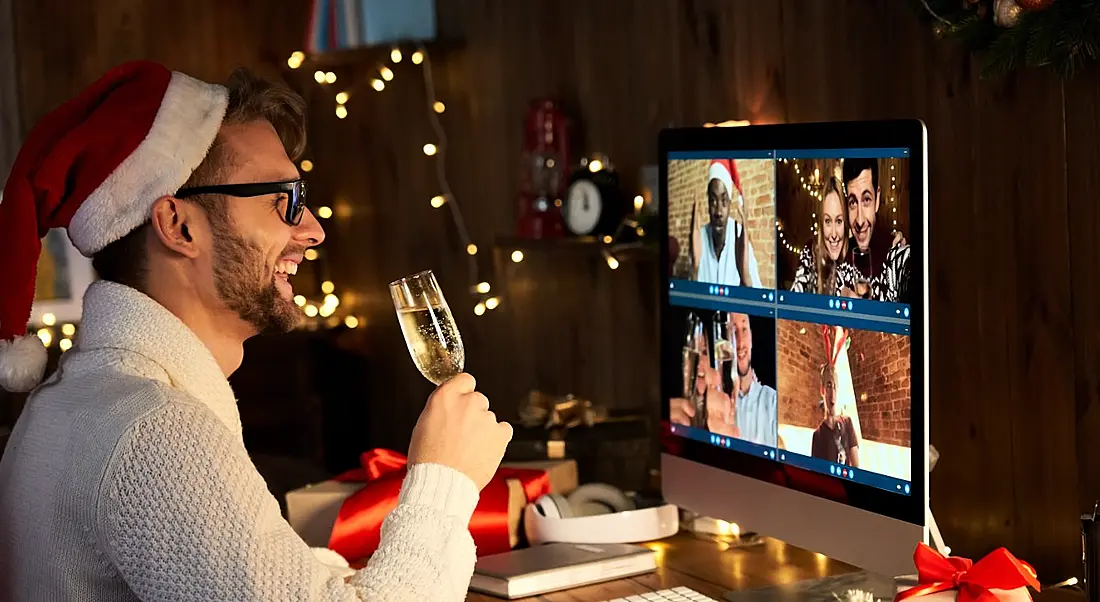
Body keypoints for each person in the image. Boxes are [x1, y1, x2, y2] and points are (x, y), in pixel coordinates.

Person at [0, 61, 512, 601]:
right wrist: (442, 481)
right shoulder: (154, 432)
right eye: (282, 200)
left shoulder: (76, 402)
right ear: (179, 225)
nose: (312, 230)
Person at [842, 158, 911, 303]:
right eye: (853, 202)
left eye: (866, 199)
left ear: (877, 199)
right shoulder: (839, 256)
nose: (860, 221)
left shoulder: (895, 253)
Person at [690, 159, 762, 288]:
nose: (718, 212)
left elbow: (760, 304)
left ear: (729, 204)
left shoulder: (740, 237)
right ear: (707, 203)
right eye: (713, 200)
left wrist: (745, 276)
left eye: (724, 201)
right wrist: (695, 268)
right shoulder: (699, 239)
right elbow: (692, 304)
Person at [789, 176, 864, 297]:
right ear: (821, 224)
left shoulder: (857, 254)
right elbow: (791, 303)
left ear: (846, 223)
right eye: (828, 221)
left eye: (839, 221)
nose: (833, 234)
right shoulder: (810, 252)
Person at [729, 313, 778, 447]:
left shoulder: (773, 402)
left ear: (751, 337)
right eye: (733, 331)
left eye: (744, 329)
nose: (739, 342)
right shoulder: (719, 404)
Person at [810, 363, 860, 467]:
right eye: (829, 386)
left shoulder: (847, 422)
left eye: (835, 387)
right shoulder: (817, 436)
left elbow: (856, 469)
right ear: (822, 390)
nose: (832, 393)